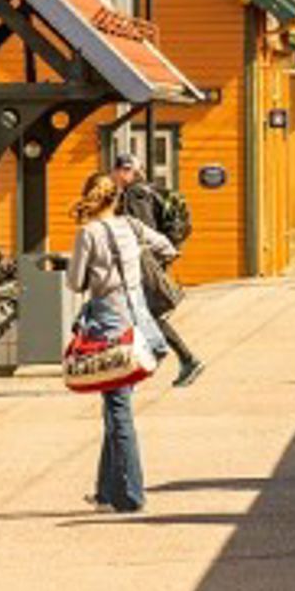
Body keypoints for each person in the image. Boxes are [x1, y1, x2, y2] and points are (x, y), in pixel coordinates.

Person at [68, 171, 177, 514]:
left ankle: (130, 495)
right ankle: (105, 492)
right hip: (143, 329)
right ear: (116, 199)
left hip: (111, 333)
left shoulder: (89, 234)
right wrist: (136, 269)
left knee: (119, 413)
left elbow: (74, 282)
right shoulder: (131, 226)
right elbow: (167, 247)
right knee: (115, 409)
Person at [113, 153, 204, 386]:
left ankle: (183, 358)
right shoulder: (145, 190)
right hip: (150, 260)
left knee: (147, 312)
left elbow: (143, 229)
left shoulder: (135, 193)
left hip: (144, 262)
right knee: (144, 312)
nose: (117, 175)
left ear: (128, 171)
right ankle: (159, 359)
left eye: (121, 170)